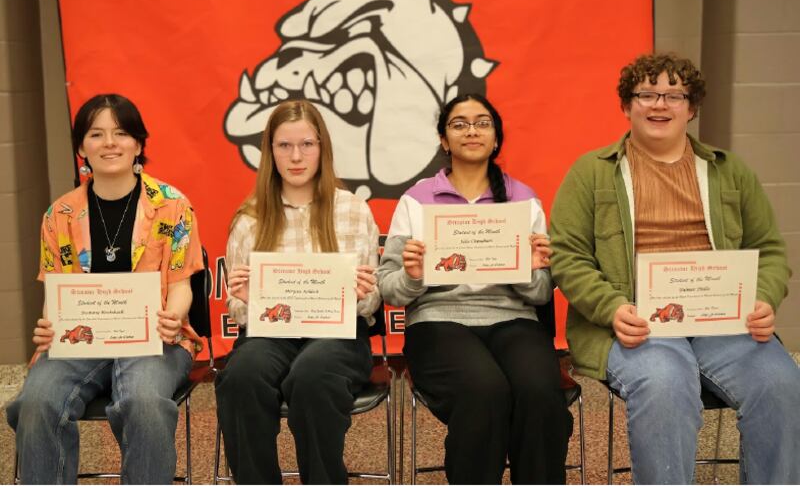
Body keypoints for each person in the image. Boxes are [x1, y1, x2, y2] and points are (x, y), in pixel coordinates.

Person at [549, 52, 800, 484]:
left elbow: (770, 250)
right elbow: (567, 255)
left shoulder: (729, 171)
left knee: (781, 383)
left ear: (692, 107)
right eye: (646, 94)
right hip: (633, 322)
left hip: (724, 321)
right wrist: (611, 308)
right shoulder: (590, 173)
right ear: (627, 106)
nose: (659, 104)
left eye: (673, 95)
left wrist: (762, 297)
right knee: (665, 384)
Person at [6, 94, 204, 484]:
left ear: (139, 144)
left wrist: (174, 316)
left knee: (143, 402)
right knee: (36, 402)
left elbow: (182, 284)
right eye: (96, 134)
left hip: (154, 340)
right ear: (81, 147)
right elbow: (55, 293)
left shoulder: (173, 206)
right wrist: (49, 325)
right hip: (81, 341)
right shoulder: (59, 214)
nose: (110, 143)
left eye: (121, 133)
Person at [377, 94, 572, 484]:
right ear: (444, 140)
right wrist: (414, 275)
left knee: (539, 392)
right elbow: (389, 289)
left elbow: (538, 294)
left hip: (513, 318)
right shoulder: (416, 201)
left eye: (482, 123)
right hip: (437, 323)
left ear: (496, 138)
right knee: (485, 390)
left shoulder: (523, 199)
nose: (472, 131)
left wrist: (527, 270)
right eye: (459, 124)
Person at [214, 99, 381, 484]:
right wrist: (243, 297)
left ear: (323, 148)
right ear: (269, 152)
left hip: (338, 334)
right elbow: (238, 310)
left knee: (312, 376)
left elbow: (371, 302)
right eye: (284, 146)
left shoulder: (353, 210)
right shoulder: (250, 217)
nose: (296, 156)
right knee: (240, 378)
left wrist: (361, 292)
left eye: (307, 144)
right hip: (270, 334)